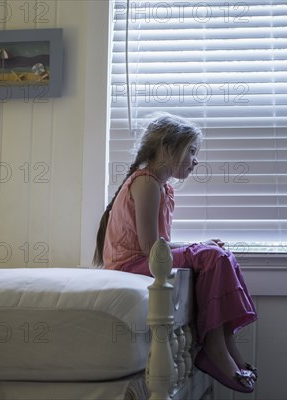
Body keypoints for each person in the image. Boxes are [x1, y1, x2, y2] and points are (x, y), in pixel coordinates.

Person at [93, 113, 258, 393]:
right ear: (168, 149)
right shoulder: (145, 182)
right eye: (191, 151)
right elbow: (150, 248)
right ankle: (216, 346)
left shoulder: (161, 187)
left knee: (219, 254)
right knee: (212, 256)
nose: (195, 160)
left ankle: (225, 340)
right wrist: (199, 247)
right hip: (131, 266)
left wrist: (201, 244)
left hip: (145, 260)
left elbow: (158, 244)